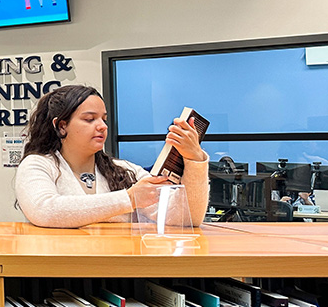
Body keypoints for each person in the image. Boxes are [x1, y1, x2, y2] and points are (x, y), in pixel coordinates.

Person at [14, 85, 209, 228]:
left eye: (103, 119)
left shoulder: (125, 170)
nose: (102, 126)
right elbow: (45, 211)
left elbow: (186, 219)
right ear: (61, 126)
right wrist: (129, 199)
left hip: (121, 272)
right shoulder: (37, 165)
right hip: (60, 271)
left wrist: (195, 160)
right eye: (89, 119)